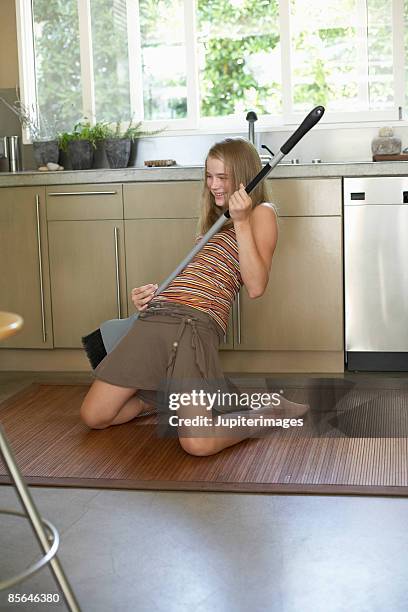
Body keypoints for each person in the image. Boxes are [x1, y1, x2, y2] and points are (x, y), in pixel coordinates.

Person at [80, 138, 307, 455]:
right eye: (209, 176)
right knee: (95, 416)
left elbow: (256, 286)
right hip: (158, 315)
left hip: (194, 325)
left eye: (222, 177)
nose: (213, 185)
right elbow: (195, 279)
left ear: (243, 177)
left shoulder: (261, 214)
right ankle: (168, 400)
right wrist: (152, 293)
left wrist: (241, 222)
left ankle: (271, 412)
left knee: (198, 444)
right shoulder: (213, 227)